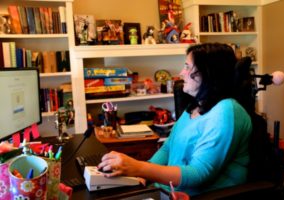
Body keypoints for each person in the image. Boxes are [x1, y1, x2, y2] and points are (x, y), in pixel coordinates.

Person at [98, 43, 253, 196]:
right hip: (169, 191)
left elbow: (198, 174)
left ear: (207, 73)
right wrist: (141, 175)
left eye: (187, 67)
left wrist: (138, 167)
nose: (181, 73)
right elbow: (167, 148)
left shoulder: (227, 111)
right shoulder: (194, 107)